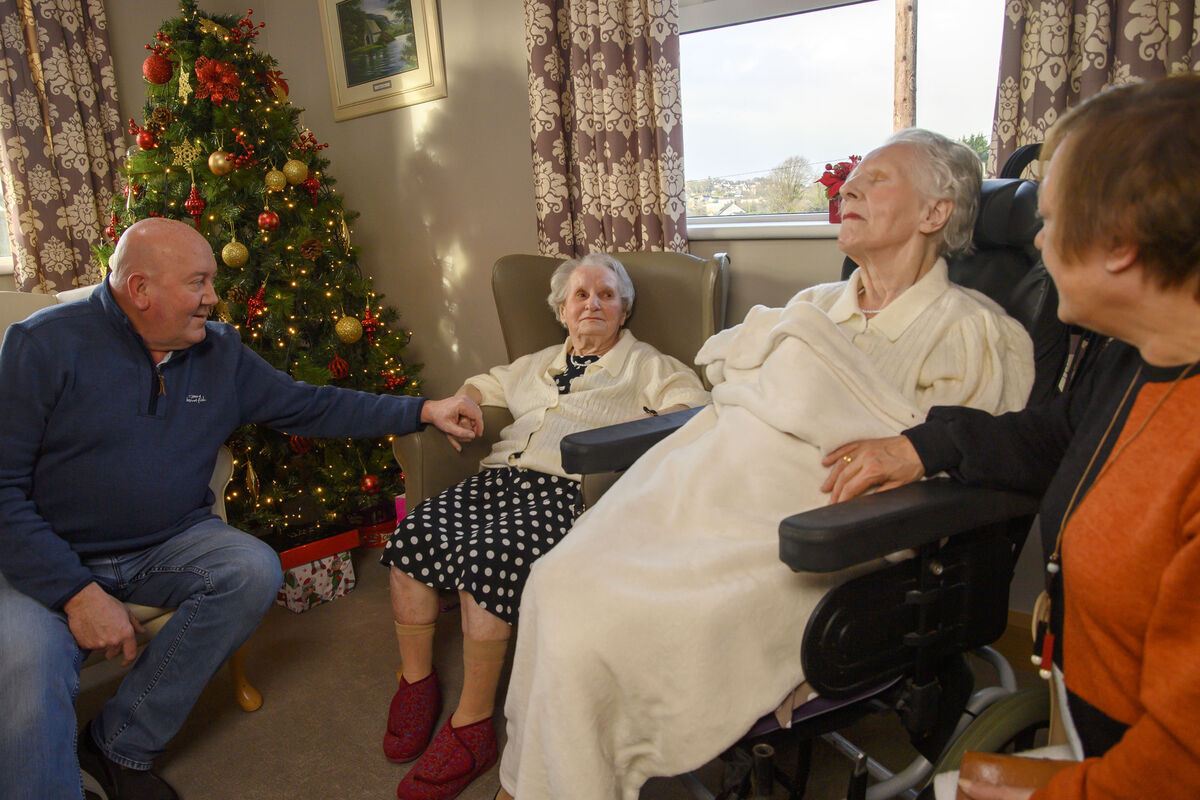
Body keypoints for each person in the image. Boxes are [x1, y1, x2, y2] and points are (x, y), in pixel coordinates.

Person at [495, 129, 1036, 800]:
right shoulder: (806, 311)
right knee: (557, 578)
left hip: (814, 526)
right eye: (854, 178)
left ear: (935, 212)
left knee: (607, 621)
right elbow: (739, 397)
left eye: (878, 180)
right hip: (709, 484)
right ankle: (547, 781)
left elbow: (961, 468)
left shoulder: (972, 331)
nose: (850, 188)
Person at [0, 218, 483, 800]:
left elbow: (311, 405)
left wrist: (422, 410)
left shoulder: (218, 351)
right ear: (140, 289)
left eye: (211, 280)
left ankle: (118, 744)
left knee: (251, 569)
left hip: (166, 541)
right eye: (198, 282)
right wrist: (76, 594)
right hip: (47, 554)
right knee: (25, 661)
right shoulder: (42, 345)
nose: (213, 296)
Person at [823, 77, 1200, 800]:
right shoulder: (1133, 359)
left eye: (1050, 222)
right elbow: (1052, 436)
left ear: (1121, 243)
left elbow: (1178, 770)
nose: (1038, 243)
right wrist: (923, 447)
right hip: (1090, 720)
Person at [379, 253, 710, 800]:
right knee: (414, 535)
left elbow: (691, 406)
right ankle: (416, 682)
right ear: (562, 310)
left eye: (606, 295)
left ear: (624, 310)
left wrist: (640, 427)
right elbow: (482, 385)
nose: (593, 304)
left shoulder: (645, 363)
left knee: (488, 560)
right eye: (581, 295)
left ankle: (473, 724)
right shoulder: (534, 364)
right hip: (498, 478)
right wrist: (463, 403)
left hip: (568, 490)